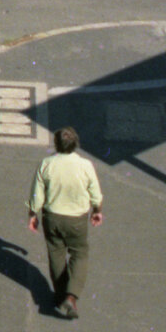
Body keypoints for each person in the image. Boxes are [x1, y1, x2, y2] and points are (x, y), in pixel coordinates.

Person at [28, 126, 104, 319]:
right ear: (76, 144)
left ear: (56, 144)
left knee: (56, 254)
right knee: (80, 254)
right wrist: (97, 210)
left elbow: (37, 195)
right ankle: (71, 297)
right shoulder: (85, 165)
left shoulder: (46, 164)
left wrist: (32, 214)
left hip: (52, 217)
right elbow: (95, 194)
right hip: (77, 220)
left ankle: (60, 294)